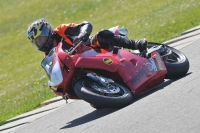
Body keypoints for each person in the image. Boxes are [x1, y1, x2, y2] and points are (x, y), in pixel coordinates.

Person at [27, 18, 147, 55]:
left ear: (47, 32)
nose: (40, 43)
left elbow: (85, 25)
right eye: (36, 42)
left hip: (90, 47)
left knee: (101, 36)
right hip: (81, 65)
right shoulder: (48, 56)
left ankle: (135, 44)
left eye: (40, 38)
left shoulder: (61, 30)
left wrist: (81, 36)